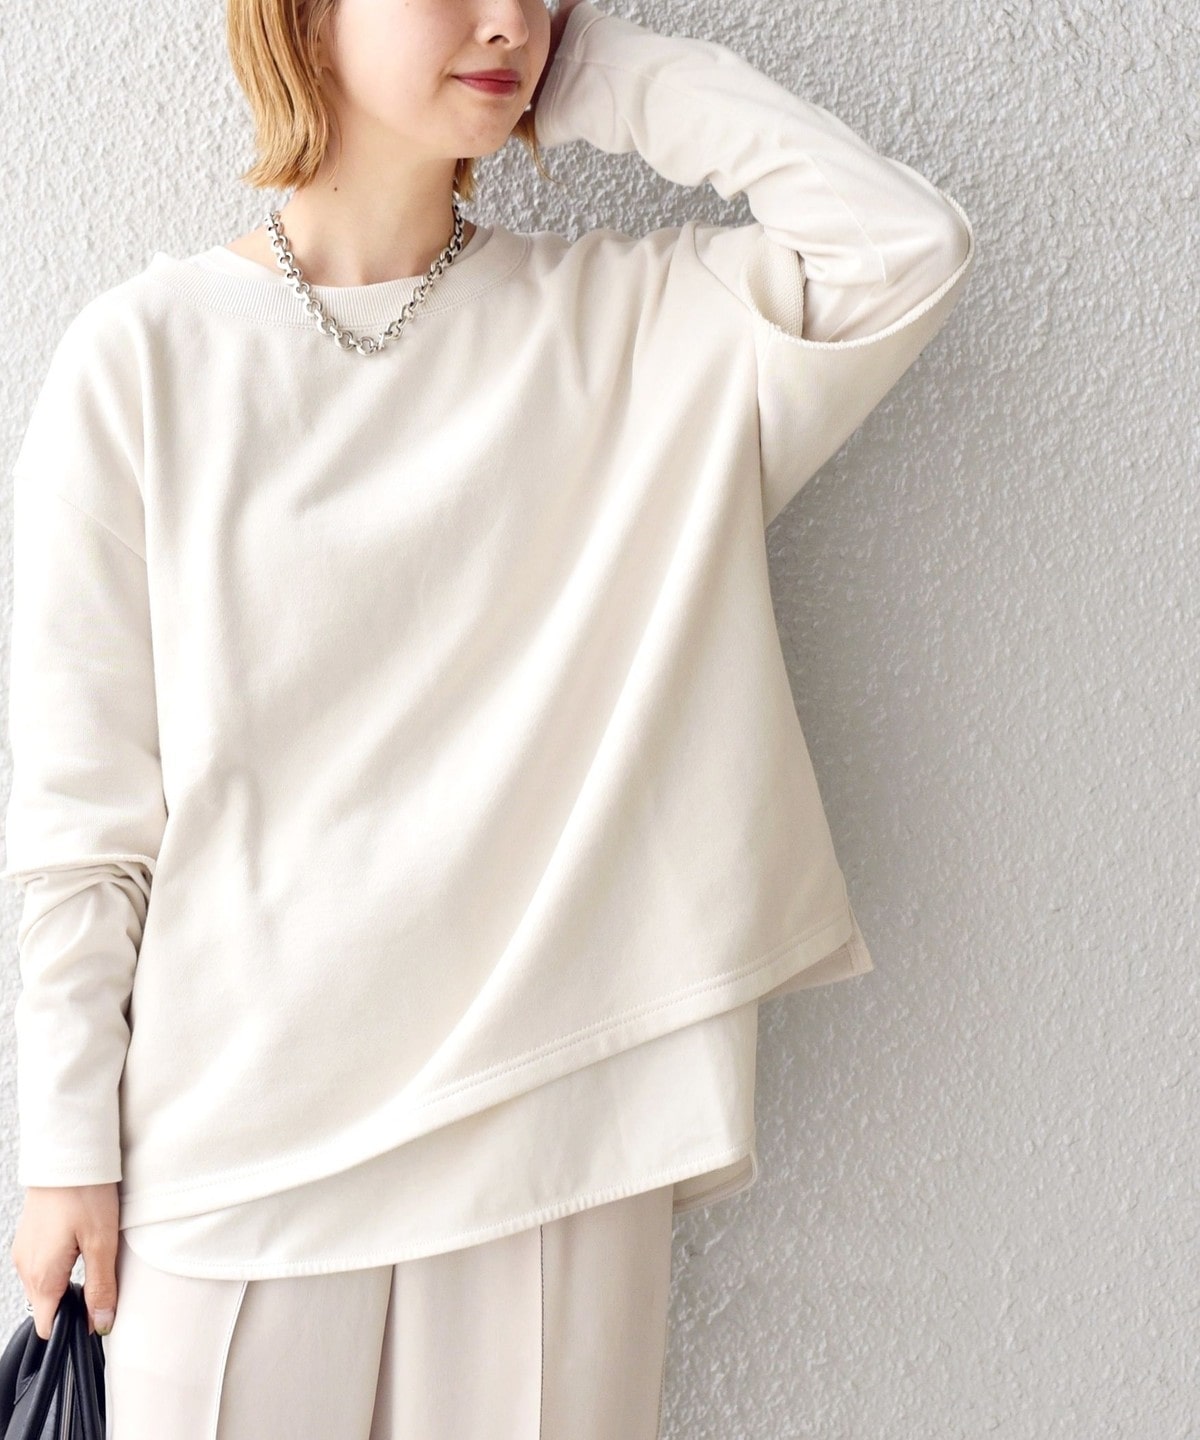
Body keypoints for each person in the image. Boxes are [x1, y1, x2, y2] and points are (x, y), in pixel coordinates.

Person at [4, 0, 976, 1433]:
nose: (508, 18)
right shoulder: (142, 359)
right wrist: (66, 1145)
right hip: (231, 1158)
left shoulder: (635, 328)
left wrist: (606, 80)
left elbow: (904, 249)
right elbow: (83, 820)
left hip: (553, 1135)